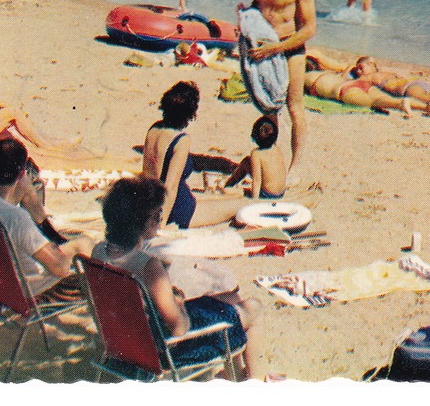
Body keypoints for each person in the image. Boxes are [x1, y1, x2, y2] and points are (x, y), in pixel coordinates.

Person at [91, 176, 266, 380]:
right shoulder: (148, 267)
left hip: (125, 345)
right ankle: (256, 384)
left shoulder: (98, 252)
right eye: (157, 214)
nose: (160, 219)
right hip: (164, 351)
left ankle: (233, 377)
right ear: (143, 222)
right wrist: (179, 302)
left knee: (232, 298)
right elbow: (179, 327)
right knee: (253, 307)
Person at [0, 139, 92, 295]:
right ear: (22, 174)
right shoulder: (16, 218)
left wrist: (27, 192)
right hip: (23, 288)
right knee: (84, 244)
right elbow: (59, 268)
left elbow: (1, 203)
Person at [246, 0, 317, 169]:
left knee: (294, 106)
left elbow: (309, 29)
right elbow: (258, 5)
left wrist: (276, 48)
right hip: (266, 48)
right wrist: (246, 16)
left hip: (290, 49)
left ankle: (295, 166)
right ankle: (271, 161)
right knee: (269, 107)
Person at [140, 82, 246, 229]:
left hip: (148, 206)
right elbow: (170, 186)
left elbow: (146, 176)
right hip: (175, 210)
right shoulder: (181, 140)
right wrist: (161, 226)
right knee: (240, 206)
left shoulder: (154, 129)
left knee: (216, 203)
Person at [316, 54, 430, 116]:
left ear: (371, 65)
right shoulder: (387, 72)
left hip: (408, 89)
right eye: (357, 69)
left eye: (360, 67)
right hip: (417, 83)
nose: (358, 71)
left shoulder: (371, 77)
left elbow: (348, 82)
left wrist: (347, 69)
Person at [302, 59, 430, 116]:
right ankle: (426, 107)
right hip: (357, 84)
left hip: (344, 90)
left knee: (374, 102)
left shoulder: (305, 78)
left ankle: (400, 104)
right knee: (382, 97)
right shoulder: (328, 73)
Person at [222, 115, 287, 199]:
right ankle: (229, 184)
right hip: (281, 193)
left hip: (267, 195)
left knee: (227, 191)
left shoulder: (256, 154)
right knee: (246, 162)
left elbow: (257, 180)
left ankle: (228, 186)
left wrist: (254, 201)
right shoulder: (277, 149)